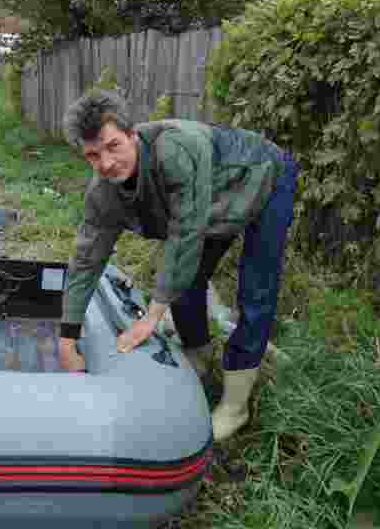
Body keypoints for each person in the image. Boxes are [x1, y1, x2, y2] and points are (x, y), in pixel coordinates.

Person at [57, 89, 300, 443]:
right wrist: (68, 337)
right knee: (186, 283)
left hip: (263, 176)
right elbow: (85, 260)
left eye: (113, 146)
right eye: (93, 155)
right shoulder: (103, 193)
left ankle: (235, 406)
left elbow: (185, 236)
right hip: (214, 198)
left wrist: (151, 317)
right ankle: (198, 358)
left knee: (256, 290)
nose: (106, 163)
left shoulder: (174, 151)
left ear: (132, 135)